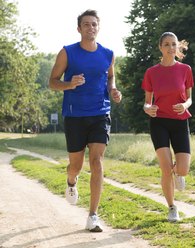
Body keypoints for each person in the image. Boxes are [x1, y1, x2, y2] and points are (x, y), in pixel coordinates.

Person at [49, 9, 122, 232]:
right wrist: (69, 84)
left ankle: (93, 215)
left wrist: (113, 90)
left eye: (94, 24)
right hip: (75, 115)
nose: (91, 27)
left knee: (97, 161)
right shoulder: (67, 53)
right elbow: (52, 81)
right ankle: (71, 181)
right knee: (76, 166)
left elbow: (110, 76)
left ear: (98, 27)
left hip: (100, 113)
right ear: (79, 28)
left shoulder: (108, 54)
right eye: (86, 24)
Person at [142, 32, 194, 222]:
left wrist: (185, 105)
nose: (171, 48)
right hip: (159, 122)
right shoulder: (151, 72)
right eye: (167, 44)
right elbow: (147, 103)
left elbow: (189, 98)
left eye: (174, 44)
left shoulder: (186, 69)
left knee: (183, 170)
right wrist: (149, 109)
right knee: (165, 168)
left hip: (180, 121)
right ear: (160, 48)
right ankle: (172, 207)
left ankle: (179, 173)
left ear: (178, 47)